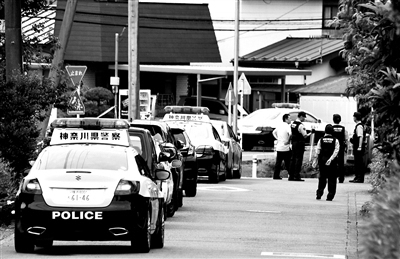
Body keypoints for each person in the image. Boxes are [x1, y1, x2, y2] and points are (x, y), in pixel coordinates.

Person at [314, 124, 340, 201]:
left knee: (322, 177)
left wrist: (315, 160)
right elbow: (336, 151)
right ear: (332, 131)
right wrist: (331, 159)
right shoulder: (336, 140)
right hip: (332, 162)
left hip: (322, 161)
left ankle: (319, 192)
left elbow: (317, 151)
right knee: (332, 179)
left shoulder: (321, 140)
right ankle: (330, 196)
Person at [289, 111, 313, 181]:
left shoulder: (293, 124)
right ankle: (296, 176)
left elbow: (292, 134)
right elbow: (305, 136)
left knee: (293, 159)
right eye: (304, 117)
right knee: (298, 160)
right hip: (299, 144)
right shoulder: (301, 125)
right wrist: (311, 133)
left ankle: (291, 176)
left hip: (294, 143)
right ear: (301, 116)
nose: (304, 119)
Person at [272, 114, 292, 180]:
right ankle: (291, 175)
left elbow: (273, 132)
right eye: (289, 118)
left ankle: (276, 175)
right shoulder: (287, 126)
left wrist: (277, 138)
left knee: (278, 162)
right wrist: (288, 141)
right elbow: (290, 134)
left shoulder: (279, 126)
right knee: (288, 162)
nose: (290, 120)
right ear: (286, 119)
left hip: (279, 147)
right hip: (285, 147)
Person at [331, 114, 348, 183]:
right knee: (341, 162)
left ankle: (332, 177)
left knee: (332, 161)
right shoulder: (343, 128)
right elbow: (346, 139)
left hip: (332, 147)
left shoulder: (331, 128)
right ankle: (341, 178)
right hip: (341, 147)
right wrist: (346, 147)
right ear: (340, 120)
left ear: (333, 120)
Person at [349, 112, 365, 183]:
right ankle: (357, 177)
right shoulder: (358, 125)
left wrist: (359, 146)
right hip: (357, 147)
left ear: (355, 117)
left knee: (359, 163)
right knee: (357, 162)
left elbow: (360, 136)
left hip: (358, 148)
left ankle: (360, 178)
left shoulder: (359, 126)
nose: (353, 118)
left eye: (353, 117)